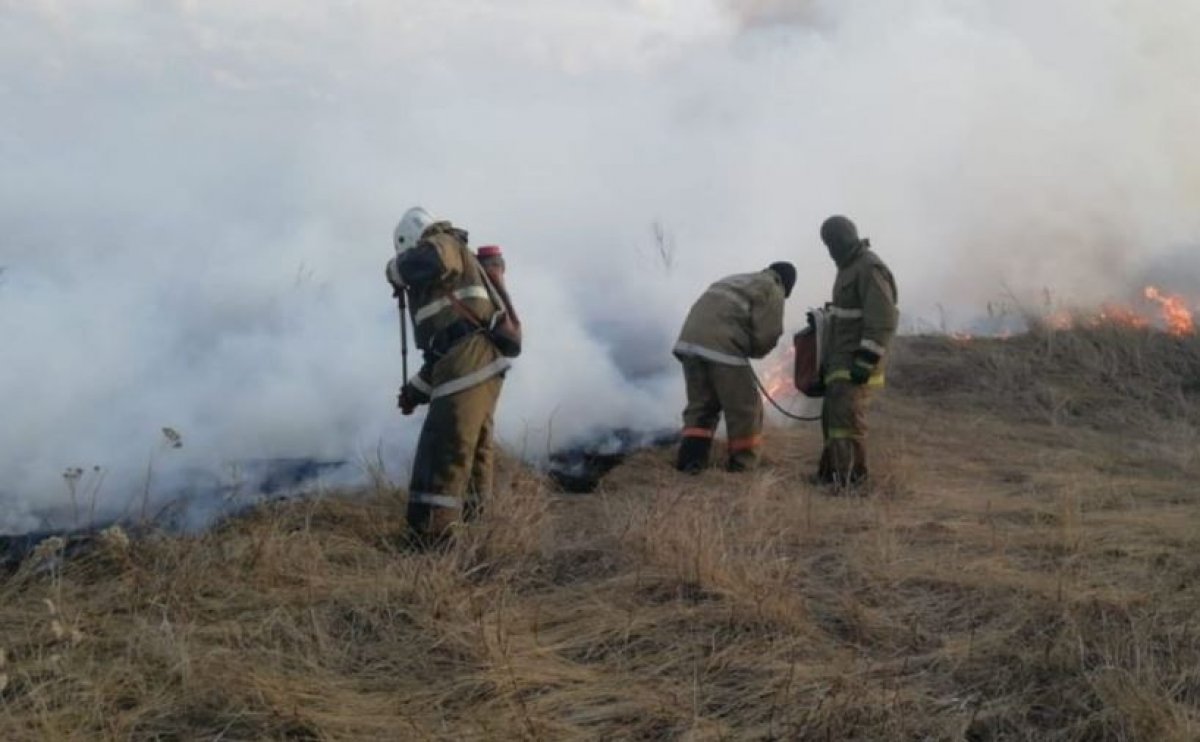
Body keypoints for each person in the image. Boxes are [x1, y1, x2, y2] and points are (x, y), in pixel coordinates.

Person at [385, 207, 511, 541]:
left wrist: (395, 269)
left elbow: (431, 261)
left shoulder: (443, 241)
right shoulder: (443, 286)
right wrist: (413, 392)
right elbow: (441, 352)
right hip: (470, 363)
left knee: (442, 448)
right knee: (471, 452)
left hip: (469, 362)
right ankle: (474, 533)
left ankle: (431, 540)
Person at [673, 262, 796, 472]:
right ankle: (743, 465)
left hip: (688, 344)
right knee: (745, 408)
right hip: (722, 348)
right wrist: (755, 351)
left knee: (702, 405)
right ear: (787, 283)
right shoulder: (773, 287)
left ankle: (691, 461)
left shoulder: (737, 279)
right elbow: (768, 333)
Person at [815, 215, 899, 488]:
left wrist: (865, 361)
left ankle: (852, 481)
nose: (831, 248)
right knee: (834, 420)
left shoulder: (868, 268)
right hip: (839, 362)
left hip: (856, 363)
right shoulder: (847, 268)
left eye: (833, 242)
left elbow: (883, 319)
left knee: (847, 423)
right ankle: (832, 474)